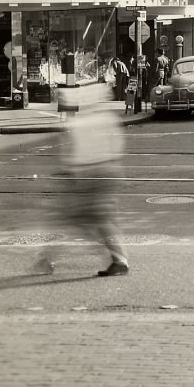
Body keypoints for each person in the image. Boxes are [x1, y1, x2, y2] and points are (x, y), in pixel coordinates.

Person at [44, 86, 129, 277]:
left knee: (77, 218)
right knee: (101, 218)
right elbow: (117, 147)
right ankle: (116, 258)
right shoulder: (109, 119)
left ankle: (49, 257)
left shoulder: (78, 124)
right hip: (109, 172)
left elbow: (71, 154)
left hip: (87, 175)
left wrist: (69, 174)